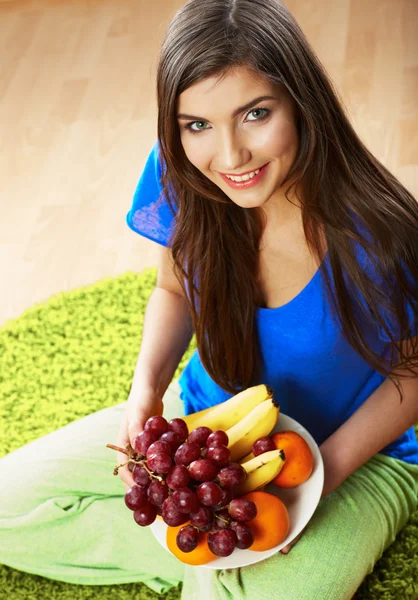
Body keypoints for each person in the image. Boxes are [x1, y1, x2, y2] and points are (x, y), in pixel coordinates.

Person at [0, 0, 417, 599]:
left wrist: (322, 479)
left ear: (301, 101)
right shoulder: (182, 176)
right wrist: (145, 393)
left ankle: (208, 563)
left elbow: (413, 367)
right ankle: (209, 564)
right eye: (197, 125)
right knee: (7, 506)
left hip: (356, 458)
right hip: (209, 429)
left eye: (255, 114)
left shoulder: (380, 231)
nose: (230, 157)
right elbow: (173, 289)